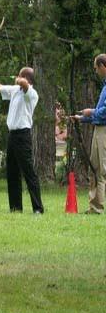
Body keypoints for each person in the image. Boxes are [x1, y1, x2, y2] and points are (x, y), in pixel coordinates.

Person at [0, 67, 44, 213]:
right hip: (12, 136)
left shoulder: (32, 93)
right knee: (12, 172)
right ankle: (15, 208)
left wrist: (20, 80)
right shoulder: (15, 90)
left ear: (25, 78)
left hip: (23, 136)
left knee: (29, 172)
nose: (17, 77)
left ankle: (38, 209)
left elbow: (25, 84)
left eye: (20, 76)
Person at [72, 53, 106, 215]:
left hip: (104, 132)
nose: (95, 72)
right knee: (95, 168)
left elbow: (103, 113)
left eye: (96, 68)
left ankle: (97, 207)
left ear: (102, 66)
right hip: (99, 130)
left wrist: (89, 111)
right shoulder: (105, 87)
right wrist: (81, 118)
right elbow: (98, 115)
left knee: (102, 170)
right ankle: (95, 206)